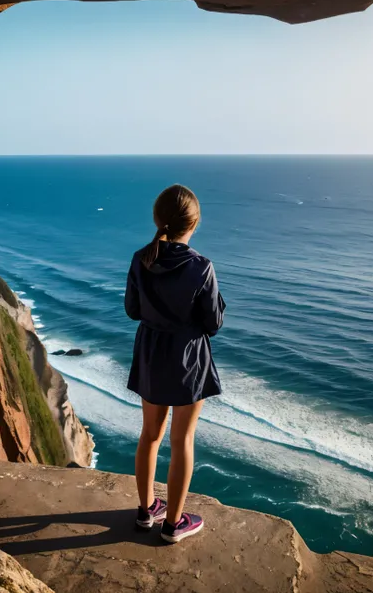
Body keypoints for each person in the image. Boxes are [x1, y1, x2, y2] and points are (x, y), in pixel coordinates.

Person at [125, 184, 225, 543]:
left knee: (149, 435)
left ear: (158, 219)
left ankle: (146, 510)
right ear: (194, 223)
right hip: (187, 359)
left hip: (151, 352)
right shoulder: (201, 267)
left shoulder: (141, 258)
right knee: (182, 439)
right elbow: (213, 323)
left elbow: (133, 311)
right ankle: (173, 525)